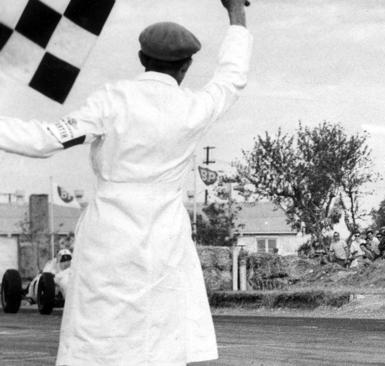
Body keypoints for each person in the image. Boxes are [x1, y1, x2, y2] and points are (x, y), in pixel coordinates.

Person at [0, 2, 251, 364]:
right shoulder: (195, 107)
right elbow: (232, 78)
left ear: (141, 57)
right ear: (186, 65)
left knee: (97, 335)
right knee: (160, 336)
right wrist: (237, 16)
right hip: (165, 235)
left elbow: (46, 140)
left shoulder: (112, 99)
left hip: (110, 234)